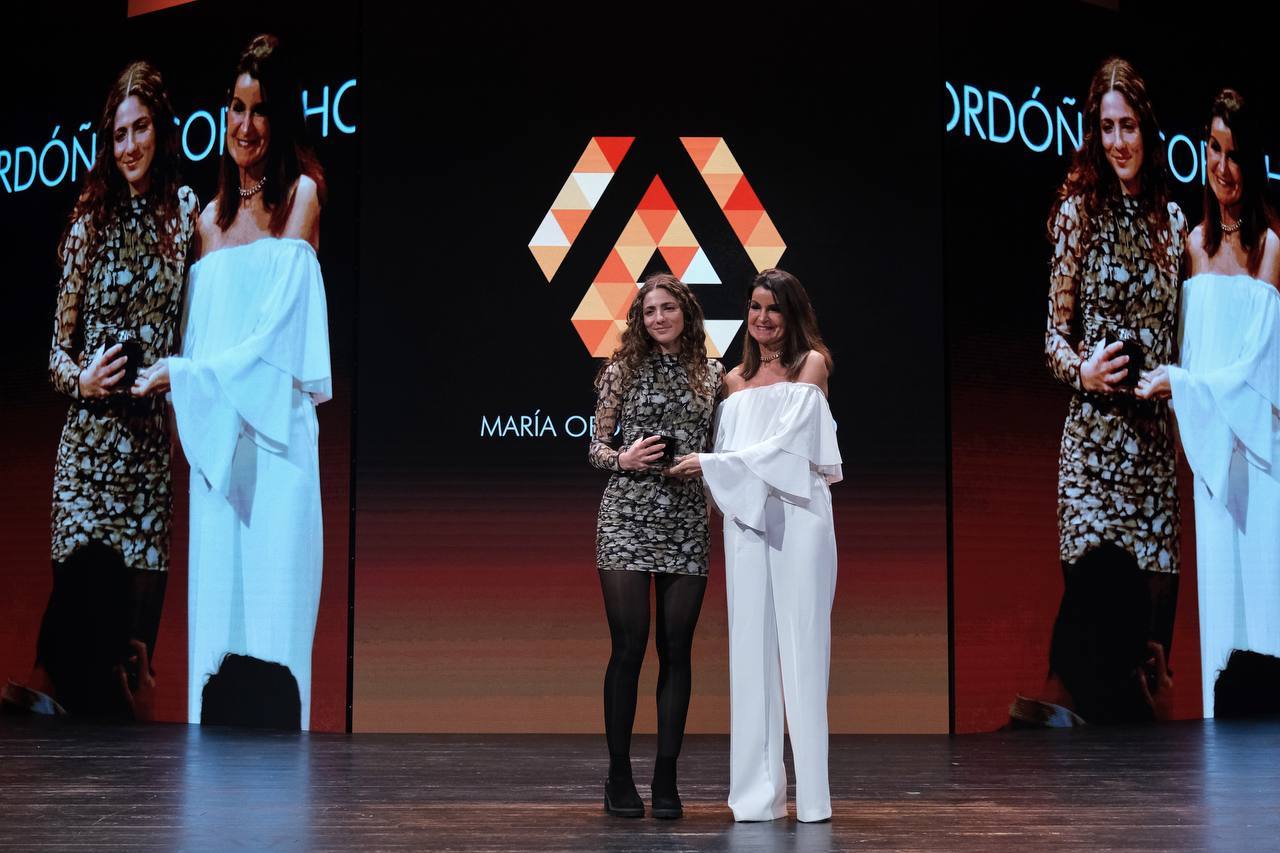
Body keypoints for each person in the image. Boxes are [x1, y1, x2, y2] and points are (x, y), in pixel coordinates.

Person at [132, 35, 330, 729]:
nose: (245, 126)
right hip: (218, 461)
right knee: (216, 642)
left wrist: (184, 374)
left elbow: (275, 342)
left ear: (282, 121)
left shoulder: (301, 197)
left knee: (275, 643)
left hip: (278, 454)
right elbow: (200, 339)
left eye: (261, 111)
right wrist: (184, 381)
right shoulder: (205, 223)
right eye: (235, 107)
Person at [0, 61, 198, 719]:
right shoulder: (88, 222)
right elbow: (55, 356)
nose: (131, 145)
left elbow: (199, 333)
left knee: (128, 667)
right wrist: (81, 377)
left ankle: (123, 816)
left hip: (146, 463)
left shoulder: (189, 216)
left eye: (141, 128)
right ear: (106, 144)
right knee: (79, 658)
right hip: (86, 464)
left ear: (160, 131)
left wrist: (178, 369)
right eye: (119, 134)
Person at [1039, 57, 1186, 719]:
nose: (1119, 141)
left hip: (1152, 457)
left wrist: (1171, 379)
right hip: (1092, 459)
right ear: (1094, 135)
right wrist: (1085, 371)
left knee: (1151, 656)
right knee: (1097, 658)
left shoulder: (1173, 224)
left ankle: (1155, 810)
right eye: (1107, 128)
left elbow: (1185, 344)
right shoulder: (1078, 214)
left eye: (1128, 126)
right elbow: (1052, 339)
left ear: (1147, 131)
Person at [668, 268, 841, 823]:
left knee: (803, 649)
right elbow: (739, 452)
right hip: (745, 521)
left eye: (773, 309)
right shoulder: (733, 380)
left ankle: (812, 798)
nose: (762, 318)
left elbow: (788, 448)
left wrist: (714, 465)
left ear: (792, 314)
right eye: (754, 308)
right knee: (750, 655)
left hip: (799, 516)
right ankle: (757, 797)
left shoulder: (811, 364)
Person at [1136, 89, 1280, 717]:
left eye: (1236, 154)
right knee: (1222, 613)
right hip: (1212, 464)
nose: (1223, 167)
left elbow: (1260, 372)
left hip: (1262, 459)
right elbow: (1193, 359)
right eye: (1214, 150)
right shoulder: (1191, 248)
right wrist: (1181, 386)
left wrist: (1184, 385)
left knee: (1267, 613)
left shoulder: (1269, 248)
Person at [589, 273, 724, 819]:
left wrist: (705, 464)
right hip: (626, 514)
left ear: (686, 313)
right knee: (629, 648)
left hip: (687, 517)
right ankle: (619, 777)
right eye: (649, 311)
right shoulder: (620, 370)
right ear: (639, 321)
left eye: (668, 308)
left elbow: (727, 447)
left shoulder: (714, 375)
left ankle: (666, 779)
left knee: (677, 649)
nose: (659, 318)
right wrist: (623, 458)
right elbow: (596, 447)